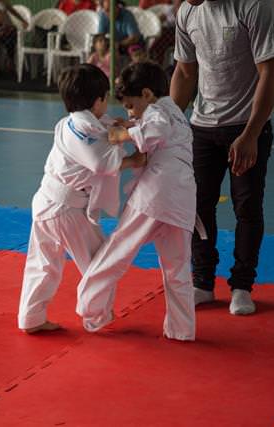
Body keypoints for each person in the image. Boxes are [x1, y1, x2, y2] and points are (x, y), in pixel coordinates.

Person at [171, 0, 274, 315]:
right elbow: (185, 71)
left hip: (246, 126)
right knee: (197, 206)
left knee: (246, 206)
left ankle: (242, 286)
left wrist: (251, 134)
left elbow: (270, 71)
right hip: (202, 127)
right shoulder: (187, 11)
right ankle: (202, 282)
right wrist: (164, 123)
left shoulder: (256, 6)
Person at [18, 64, 145, 334]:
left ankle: (31, 318)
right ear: (97, 101)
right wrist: (135, 160)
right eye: (105, 98)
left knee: (43, 263)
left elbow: (107, 131)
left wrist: (130, 127)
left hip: (47, 203)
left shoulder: (75, 122)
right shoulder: (83, 130)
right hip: (65, 209)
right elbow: (100, 162)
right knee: (100, 262)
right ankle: (97, 316)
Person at [76, 62, 198, 340]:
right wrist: (132, 124)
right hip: (182, 200)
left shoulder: (157, 112)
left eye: (131, 105)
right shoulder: (175, 112)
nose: (129, 112)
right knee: (177, 268)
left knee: (117, 250)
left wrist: (122, 134)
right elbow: (158, 127)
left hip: (155, 195)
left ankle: (90, 309)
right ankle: (181, 330)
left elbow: (157, 130)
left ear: (146, 94)